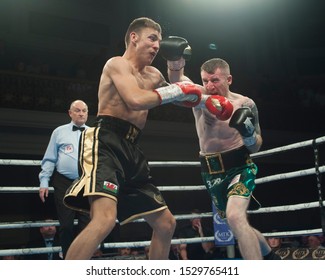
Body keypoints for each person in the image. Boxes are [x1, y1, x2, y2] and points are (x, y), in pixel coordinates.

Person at [62, 17, 209, 260]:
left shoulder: (153, 74)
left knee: (166, 224)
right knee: (105, 219)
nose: (156, 46)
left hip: (132, 148)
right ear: (133, 37)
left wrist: (177, 65)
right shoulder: (116, 64)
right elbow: (135, 99)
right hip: (106, 141)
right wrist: (176, 90)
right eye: (152, 38)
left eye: (159, 42)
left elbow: (188, 96)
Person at [160, 36, 280, 260]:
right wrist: (174, 61)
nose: (209, 85)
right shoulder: (199, 98)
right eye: (205, 80)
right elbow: (178, 81)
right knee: (238, 223)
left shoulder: (245, 104)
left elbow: (256, 146)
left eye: (215, 80)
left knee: (235, 217)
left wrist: (248, 133)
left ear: (229, 79)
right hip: (211, 170)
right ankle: (272, 259)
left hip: (239, 166)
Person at [38, 100, 90, 258]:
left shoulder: (94, 133)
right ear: (70, 113)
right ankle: (68, 258)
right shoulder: (59, 132)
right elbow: (50, 158)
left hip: (85, 181)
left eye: (84, 111)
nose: (81, 113)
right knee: (66, 225)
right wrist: (44, 180)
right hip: (63, 182)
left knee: (86, 224)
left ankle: (81, 258)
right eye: (78, 110)